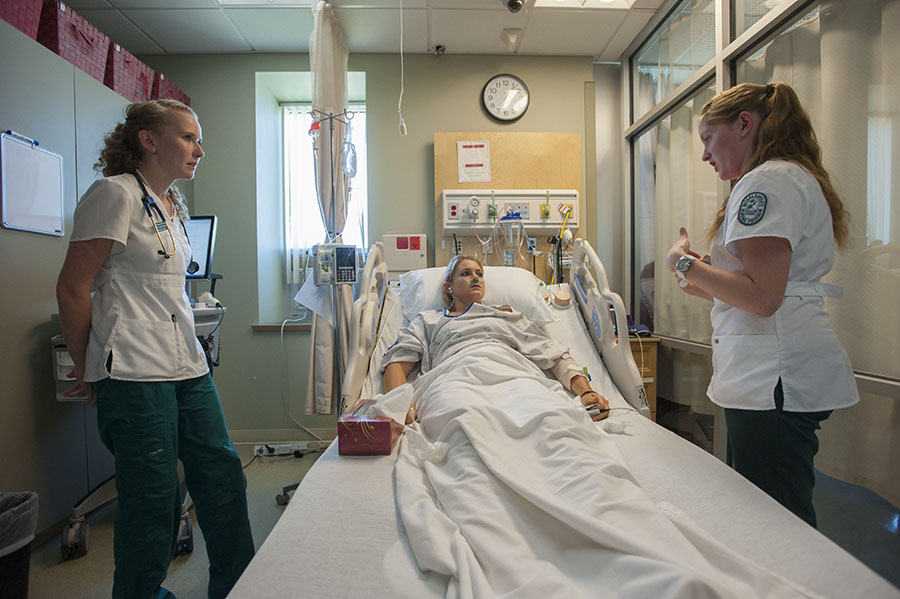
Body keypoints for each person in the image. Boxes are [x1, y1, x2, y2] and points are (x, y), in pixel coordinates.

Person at [56, 100, 254, 599]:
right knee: (154, 500)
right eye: (187, 137)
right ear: (148, 140)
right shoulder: (114, 194)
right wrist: (86, 367)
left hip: (186, 363)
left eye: (198, 139)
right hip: (134, 369)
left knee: (223, 475)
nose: (199, 150)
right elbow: (74, 287)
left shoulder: (173, 204)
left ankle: (239, 587)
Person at [665, 82, 859, 527]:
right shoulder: (784, 177)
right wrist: (700, 280)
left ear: (745, 124)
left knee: (777, 520)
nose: (705, 155)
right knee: (768, 507)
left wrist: (682, 264)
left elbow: (762, 297)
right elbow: (758, 288)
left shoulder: (766, 182)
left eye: (708, 138)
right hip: (772, 372)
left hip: (774, 376)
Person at [382, 255, 609, 421]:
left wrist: (587, 392)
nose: (475, 278)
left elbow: (556, 356)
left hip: (514, 377)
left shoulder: (508, 317)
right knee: (463, 421)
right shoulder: (428, 320)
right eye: (466, 273)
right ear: (448, 287)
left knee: (549, 420)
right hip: (455, 380)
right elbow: (397, 363)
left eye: (479, 274)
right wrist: (399, 404)